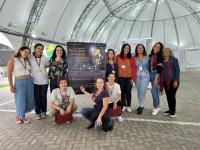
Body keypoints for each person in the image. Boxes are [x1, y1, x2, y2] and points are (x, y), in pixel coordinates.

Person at [7, 46, 35, 124]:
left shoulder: (27, 60)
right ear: (20, 51)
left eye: (28, 53)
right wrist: (11, 86)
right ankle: (19, 117)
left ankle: (23, 116)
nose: (27, 54)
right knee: (20, 100)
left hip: (29, 81)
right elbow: (9, 74)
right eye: (25, 52)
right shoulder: (13, 60)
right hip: (19, 82)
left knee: (29, 99)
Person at [30, 43, 49, 120]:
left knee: (43, 97)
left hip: (44, 81)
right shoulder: (30, 57)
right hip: (35, 81)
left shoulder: (45, 58)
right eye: (38, 48)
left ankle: (44, 111)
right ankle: (38, 112)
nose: (40, 50)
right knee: (36, 97)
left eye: (41, 49)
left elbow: (48, 65)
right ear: (35, 49)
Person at [160, 48, 180, 118]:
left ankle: (173, 111)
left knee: (172, 96)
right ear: (163, 53)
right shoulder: (162, 61)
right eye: (165, 51)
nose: (166, 52)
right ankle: (170, 109)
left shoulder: (174, 60)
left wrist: (176, 80)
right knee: (168, 96)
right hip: (165, 81)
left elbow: (177, 71)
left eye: (168, 51)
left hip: (173, 81)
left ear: (170, 52)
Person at [116, 43, 136, 112]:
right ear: (123, 49)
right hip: (120, 77)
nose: (126, 49)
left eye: (128, 48)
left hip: (129, 78)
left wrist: (133, 78)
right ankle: (123, 105)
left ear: (129, 50)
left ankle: (129, 106)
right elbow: (115, 66)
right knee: (122, 92)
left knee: (128, 92)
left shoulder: (131, 58)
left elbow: (134, 68)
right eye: (125, 48)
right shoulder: (117, 56)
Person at [149, 42, 164, 115]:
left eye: (159, 47)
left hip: (156, 74)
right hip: (151, 73)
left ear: (160, 49)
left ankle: (156, 107)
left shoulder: (160, 56)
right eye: (155, 46)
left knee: (153, 91)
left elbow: (160, 67)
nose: (156, 48)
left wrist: (156, 78)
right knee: (155, 90)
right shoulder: (151, 55)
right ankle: (158, 106)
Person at [134, 44, 150, 114]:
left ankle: (141, 106)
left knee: (142, 91)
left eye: (141, 48)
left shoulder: (147, 57)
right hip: (137, 77)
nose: (140, 49)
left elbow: (150, 67)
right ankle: (141, 104)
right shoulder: (134, 58)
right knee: (139, 92)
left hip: (145, 76)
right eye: (138, 48)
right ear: (136, 49)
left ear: (143, 49)